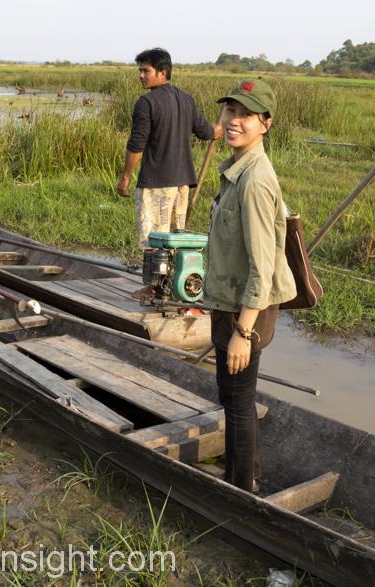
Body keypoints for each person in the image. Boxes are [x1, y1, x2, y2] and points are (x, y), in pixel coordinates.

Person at [203, 78, 296, 494]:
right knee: (232, 395)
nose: (234, 120)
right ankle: (246, 475)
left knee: (239, 402)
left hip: (246, 309)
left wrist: (243, 332)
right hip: (231, 300)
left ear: (266, 123)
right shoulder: (239, 171)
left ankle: (241, 488)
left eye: (245, 114)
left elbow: (263, 265)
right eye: (230, 111)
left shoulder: (254, 181)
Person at [116, 48, 221, 256]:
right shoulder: (186, 99)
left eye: (146, 71)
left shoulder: (146, 103)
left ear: (162, 72)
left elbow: (136, 146)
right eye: (140, 71)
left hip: (156, 183)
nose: (141, 76)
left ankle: (154, 288)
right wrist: (219, 128)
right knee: (174, 238)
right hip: (182, 184)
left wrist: (125, 177)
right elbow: (207, 132)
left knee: (153, 240)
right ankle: (168, 283)